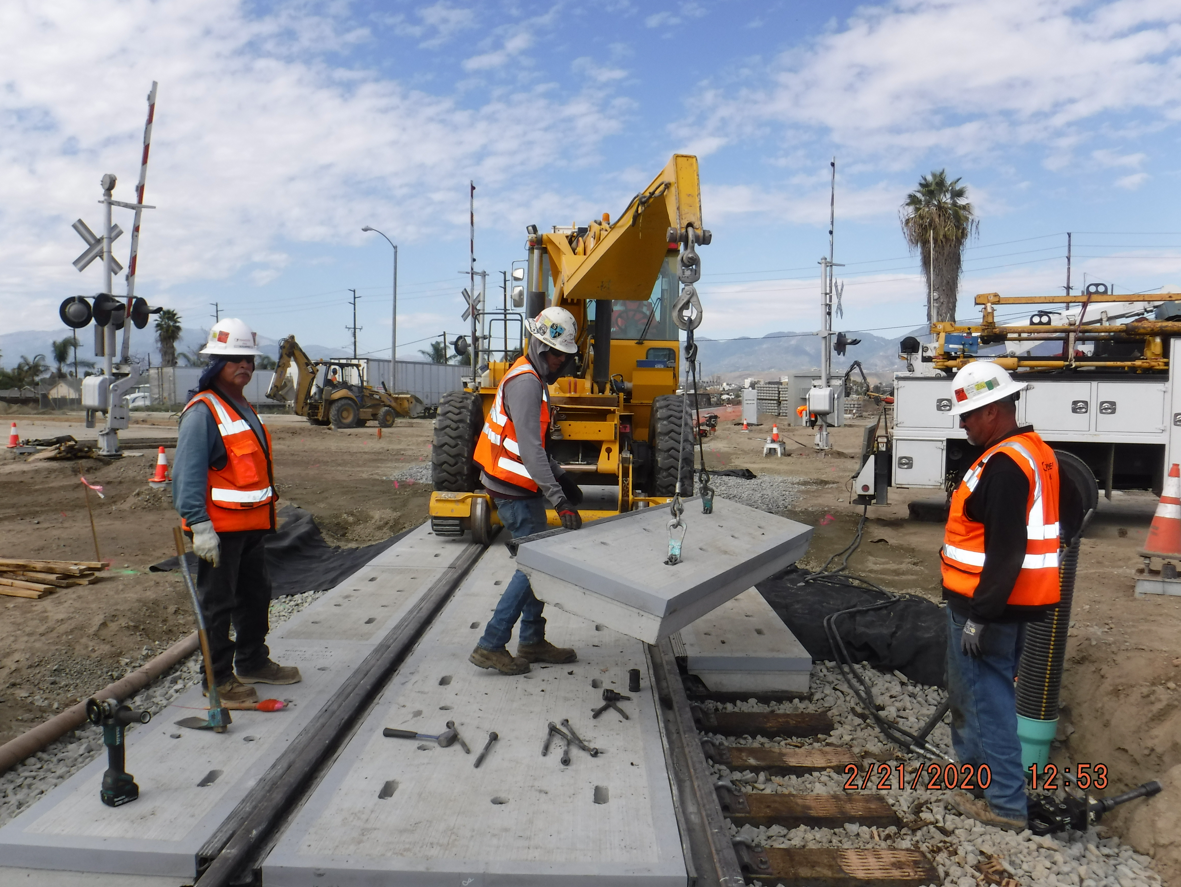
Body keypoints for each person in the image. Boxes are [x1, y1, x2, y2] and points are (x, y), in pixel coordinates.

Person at [941, 362, 1065, 831]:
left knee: (986, 701)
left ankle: (1006, 805)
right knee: (976, 695)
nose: (964, 422)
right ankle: (976, 780)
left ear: (993, 410)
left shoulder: (1006, 466)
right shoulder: (1035, 453)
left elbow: (1008, 549)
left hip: (986, 609)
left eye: (969, 414)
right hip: (1009, 605)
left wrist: (981, 615)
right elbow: (1064, 516)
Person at [173, 318, 301, 706]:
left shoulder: (242, 406)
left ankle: (251, 660)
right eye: (234, 360)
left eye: (248, 359)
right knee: (217, 605)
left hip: (250, 530)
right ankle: (218, 680)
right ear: (215, 364)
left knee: (254, 596)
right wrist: (199, 524)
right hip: (220, 532)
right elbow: (186, 473)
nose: (243, 366)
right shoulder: (203, 412)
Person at [469, 306, 585, 675]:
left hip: (520, 484)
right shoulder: (526, 383)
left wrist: (561, 477)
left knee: (537, 561)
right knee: (533, 566)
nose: (561, 365)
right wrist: (560, 499)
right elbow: (530, 450)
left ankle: (533, 641)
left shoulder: (530, 377)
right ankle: (491, 643)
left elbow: (534, 448)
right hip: (511, 489)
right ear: (540, 347)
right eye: (558, 356)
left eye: (566, 358)